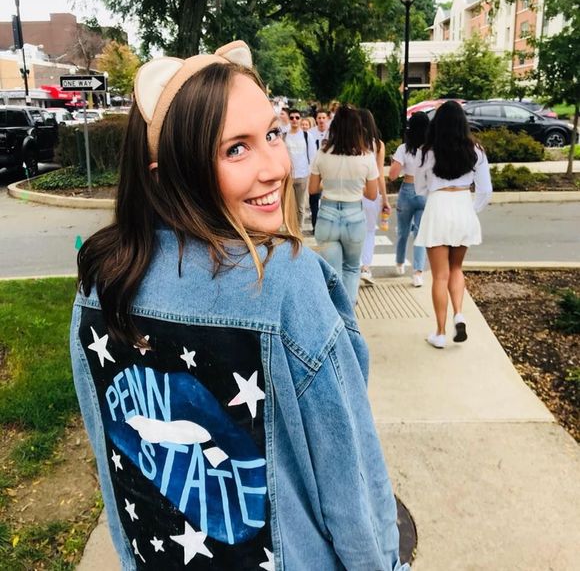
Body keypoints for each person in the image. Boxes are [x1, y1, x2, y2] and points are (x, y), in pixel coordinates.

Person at [70, 41, 407, 570]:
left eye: (272, 134)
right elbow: (350, 480)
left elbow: (112, 461)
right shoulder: (286, 282)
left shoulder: (99, 279)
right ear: (167, 173)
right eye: (235, 149)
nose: (276, 166)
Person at [415, 100, 493, 349]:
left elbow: (419, 188)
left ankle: (440, 332)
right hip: (463, 205)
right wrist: (472, 209)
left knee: (440, 275)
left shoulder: (426, 151)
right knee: (456, 268)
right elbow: (485, 190)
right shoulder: (476, 150)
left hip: (438, 206)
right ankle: (459, 314)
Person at [309, 104, 379, 304]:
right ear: (358, 128)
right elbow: (372, 194)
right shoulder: (366, 157)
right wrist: (355, 186)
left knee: (333, 272)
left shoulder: (322, 154)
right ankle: (349, 314)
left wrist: (329, 183)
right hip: (354, 216)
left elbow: (312, 189)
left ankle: (335, 313)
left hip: (327, 214)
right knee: (351, 268)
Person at [389, 112, 430, 288]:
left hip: (407, 188)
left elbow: (392, 175)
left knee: (403, 231)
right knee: (420, 234)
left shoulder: (403, 149)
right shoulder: (431, 148)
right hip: (425, 191)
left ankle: (400, 263)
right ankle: (418, 273)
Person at [359, 108, 390, 285]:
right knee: (370, 231)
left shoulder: (352, 143)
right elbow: (380, 175)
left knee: (355, 230)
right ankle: (366, 267)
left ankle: (354, 265)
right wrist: (385, 199)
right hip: (372, 193)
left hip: (356, 191)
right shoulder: (378, 145)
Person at [284, 108, 316, 230]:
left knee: (300, 206)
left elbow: (313, 156)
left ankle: (299, 229)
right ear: (289, 119)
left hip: (302, 175)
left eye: (297, 117)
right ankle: (290, 229)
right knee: (289, 206)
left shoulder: (307, 136)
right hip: (288, 176)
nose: (294, 120)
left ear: (300, 119)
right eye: (292, 117)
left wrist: (310, 173)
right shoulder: (284, 136)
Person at [308, 109, 330, 233]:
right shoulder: (311, 133)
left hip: (328, 169)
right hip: (315, 168)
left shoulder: (332, 133)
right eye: (319, 118)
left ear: (327, 119)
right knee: (314, 197)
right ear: (316, 119)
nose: (321, 120)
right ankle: (315, 225)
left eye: (323, 118)